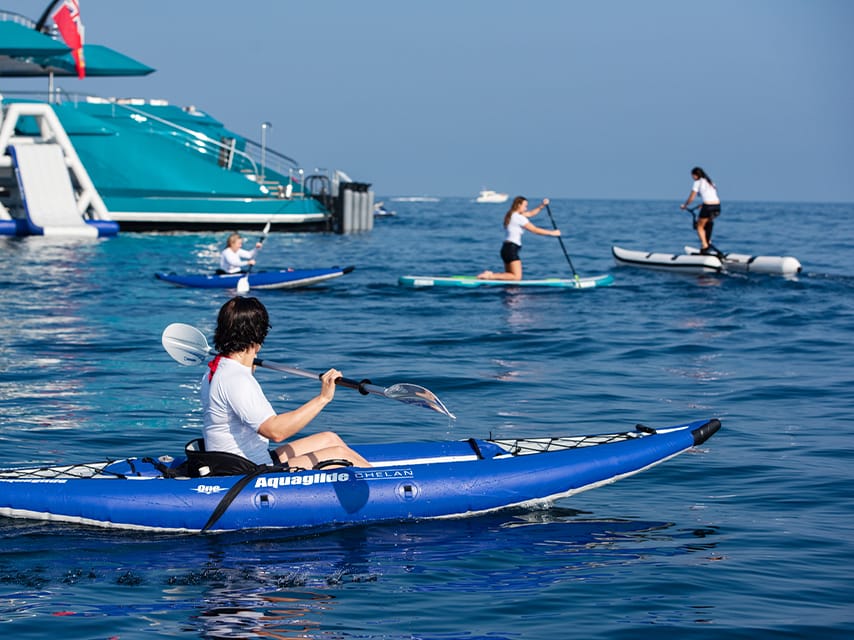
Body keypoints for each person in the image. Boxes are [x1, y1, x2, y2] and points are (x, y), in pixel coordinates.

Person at [201, 296, 371, 470]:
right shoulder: (236, 379)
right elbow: (276, 432)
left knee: (330, 439)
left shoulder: (219, 368)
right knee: (340, 455)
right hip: (247, 471)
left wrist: (248, 361)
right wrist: (323, 398)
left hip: (247, 458)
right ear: (259, 336)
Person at [477, 196, 561, 280]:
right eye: (525, 206)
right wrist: (552, 233)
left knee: (509, 276)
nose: (526, 208)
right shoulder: (519, 218)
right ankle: (490, 275)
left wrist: (542, 206)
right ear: (518, 205)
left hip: (506, 248)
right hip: (511, 249)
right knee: (517, 277)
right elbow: (535, 230)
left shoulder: (511, 215)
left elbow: (531, 213)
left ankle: (490, 276)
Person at [680, 167, 721, 254]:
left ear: (696, 175)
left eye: (693, 176)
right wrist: (702, 205)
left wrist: (685, 205)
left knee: (699, 227)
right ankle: (708, 243)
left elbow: (691, 198)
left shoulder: (697, 182)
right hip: (717, 206)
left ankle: (705, 246)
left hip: (708, 206)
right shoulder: (710, 182)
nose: (692, 178)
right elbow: (711, 196)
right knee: (708, 223)